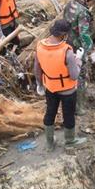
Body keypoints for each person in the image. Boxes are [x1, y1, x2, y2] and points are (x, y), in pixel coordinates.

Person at [34, 19, 86, 151]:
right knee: (68, 115)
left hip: (50, 87)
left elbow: (37, 68)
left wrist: (39, 84)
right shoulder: (67, 52)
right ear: (64, 35)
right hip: (67, 91)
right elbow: (74, 75)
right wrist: (78, 59)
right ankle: (70, 141)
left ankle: (49, 143)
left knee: (50, 112)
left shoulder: (40, 46)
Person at [62, 0, 95, 114]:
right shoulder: (83, 12)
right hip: (77, 47)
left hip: (66, 43)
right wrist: (89, 51)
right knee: (80, 74)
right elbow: (84, 34)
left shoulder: (71, 3)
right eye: (94, 0)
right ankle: (79, 107)